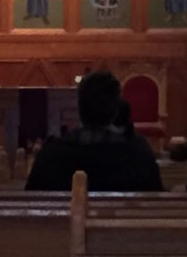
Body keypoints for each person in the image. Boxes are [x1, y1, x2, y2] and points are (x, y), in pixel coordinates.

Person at [25, 71, 162, 191]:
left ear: (79, 108)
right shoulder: (139, 155)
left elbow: (30, 205)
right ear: (115, 110)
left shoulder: (50, 155)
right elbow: (156, 201)